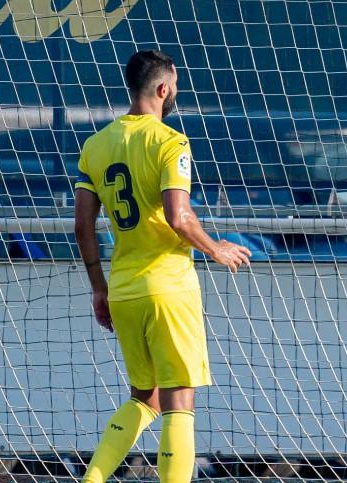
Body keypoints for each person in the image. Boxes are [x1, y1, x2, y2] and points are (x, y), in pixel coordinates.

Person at [75, 50, 251, 483]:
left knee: (145, 398)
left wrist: (100, 288)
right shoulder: (170, 142)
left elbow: (82, 226)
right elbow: (179, 216)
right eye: (175, 85)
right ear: (162, 89)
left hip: (125, 289)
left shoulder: (96, 145)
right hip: (169, 287)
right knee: (178, 401)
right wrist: (216, 249)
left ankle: (92, 479)